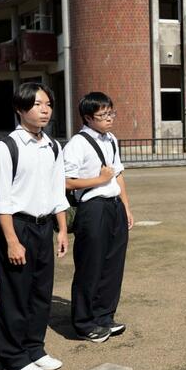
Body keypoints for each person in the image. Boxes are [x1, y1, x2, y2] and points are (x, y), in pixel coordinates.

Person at [0, 82, 69, 370]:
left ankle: (34, 348)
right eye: (37, 104)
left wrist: (61, 229)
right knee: (15, 294)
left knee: (40, 292)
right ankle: (12, 357)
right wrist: (11, 241)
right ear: (21, 108)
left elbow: (57, 191)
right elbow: (1, 202)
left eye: (48, 104)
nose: (45, 109)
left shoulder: (53, 145)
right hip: (17, 227)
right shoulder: (6, 148)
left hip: (44, 225)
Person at [63, 92, 134, 343]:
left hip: (113, 206)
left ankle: (104, 315)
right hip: (92, 209)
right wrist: (99, 180)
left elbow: (118, 174)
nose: (109, 118)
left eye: (110, 113)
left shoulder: (111, 139)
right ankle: (84, 322)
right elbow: (66, 181)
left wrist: (125, 206)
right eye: (102, 115)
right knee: (89, 265)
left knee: (113, 264)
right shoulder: (77, 144)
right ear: (87, 117)